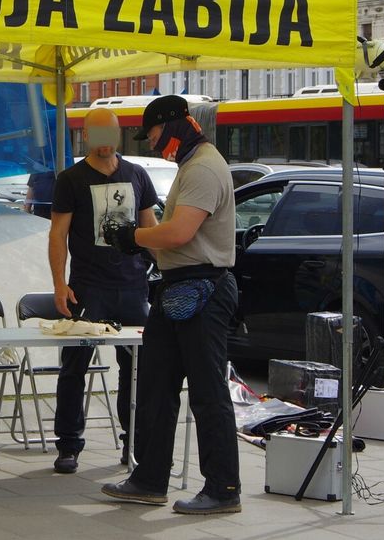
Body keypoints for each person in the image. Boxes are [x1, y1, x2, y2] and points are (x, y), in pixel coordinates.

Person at [100, 94, 241, 515]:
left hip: (203, 288)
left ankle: (223, 487)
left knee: (207, 391)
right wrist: (143, 240)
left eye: (156, 134)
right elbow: (175, 236)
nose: (153, 144)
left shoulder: (203, 168)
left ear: (175, 125)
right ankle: (149, 478)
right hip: (179, 285)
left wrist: (134, 237)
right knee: (157, 388)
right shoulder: (191, 165)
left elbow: (179, 232)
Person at [46, 108, 158, 474]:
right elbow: (57, 235)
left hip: (132, 285)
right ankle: (68, 444)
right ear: (87, 137)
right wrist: (59, 284)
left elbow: (150, 227)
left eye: (111, 134)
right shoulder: (71, 179)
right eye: (97, 135)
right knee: (74, 366)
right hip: (88, 287)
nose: (105, 143)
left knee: (138, 367)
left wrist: (168, 267)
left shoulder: (137, 175)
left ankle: (136, 442)